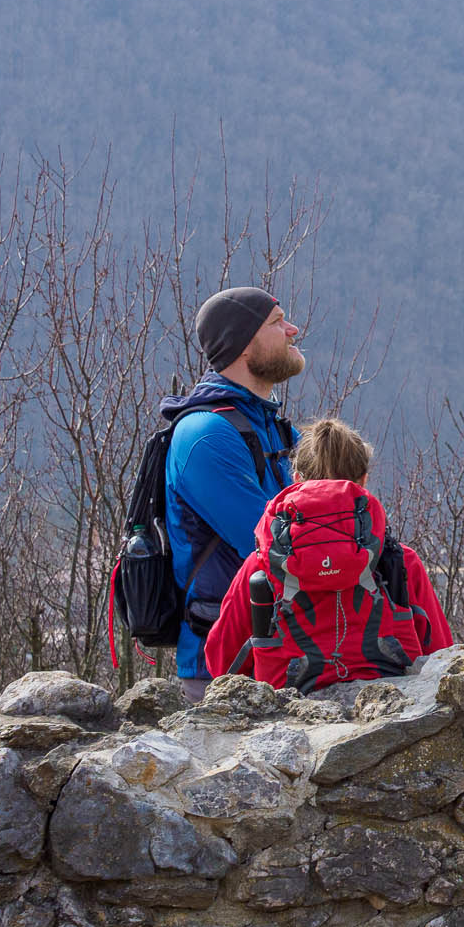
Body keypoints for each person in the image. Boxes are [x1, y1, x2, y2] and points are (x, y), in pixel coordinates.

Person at [204, 418, 453, 689]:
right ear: (363, 481)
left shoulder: (263, 563)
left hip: (287, 712)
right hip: (391, 705)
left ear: (297, 479)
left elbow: (221, 661)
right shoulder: (400, 562)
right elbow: (441, 654)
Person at [164, 287, 304, 701]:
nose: (292, 330)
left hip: (284, 652)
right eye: (278, 322)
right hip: (226, 670)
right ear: (244, 344)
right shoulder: (205, 437)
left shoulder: (270, 426)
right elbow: (272, 546)